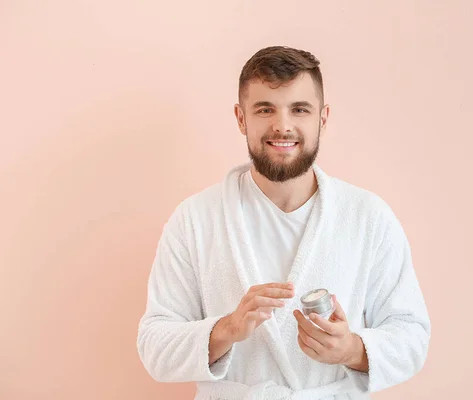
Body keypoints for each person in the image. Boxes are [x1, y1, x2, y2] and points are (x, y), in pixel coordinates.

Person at [136, 45, 431, 399]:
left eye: (299, 109)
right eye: (265, 109)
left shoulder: (368, 217)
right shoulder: (194, 220)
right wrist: (227, 329)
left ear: (322, 118)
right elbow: (154, 346)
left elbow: (412, 335)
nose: (282, 125)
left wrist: (352, 350)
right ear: (241, 118)